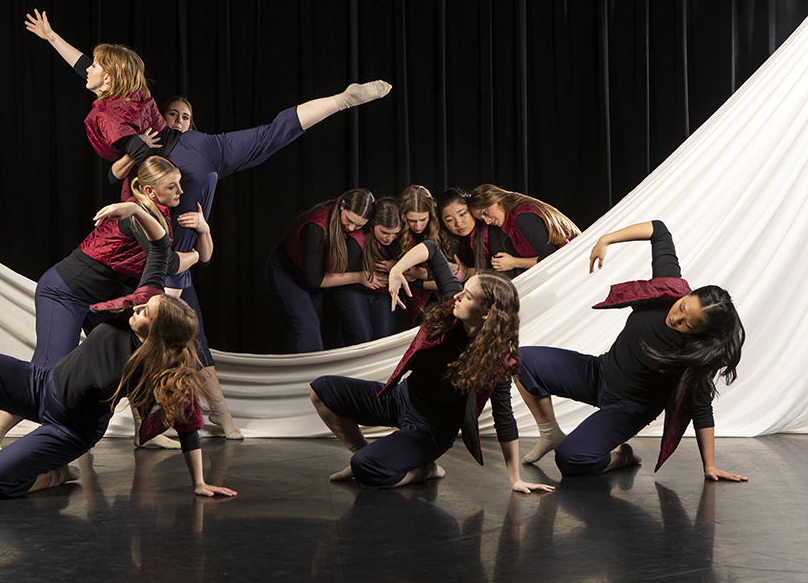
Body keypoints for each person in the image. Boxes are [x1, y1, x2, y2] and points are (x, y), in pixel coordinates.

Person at [26, 8, 392, 436]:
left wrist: (122, 166)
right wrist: (52, 38)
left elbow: (130, 148)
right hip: (185, 180)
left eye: (98, 67)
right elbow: (91, 72)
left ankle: (164, 417)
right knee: (268, 136)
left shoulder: (113, 114)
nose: (91, 69)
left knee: (157, 326)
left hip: (165, 200)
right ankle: (169, 417)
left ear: (110, 76)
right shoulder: (136, 93)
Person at [0, 202, 237, 499]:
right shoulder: (140, 303)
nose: (140, 304)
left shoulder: (158, 367)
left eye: (147, 312)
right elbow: (159, 248)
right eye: (146, 303)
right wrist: (135, 211)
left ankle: (56, 474)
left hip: (71, 429)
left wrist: (199, 482)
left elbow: (189, 424)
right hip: (41, 386)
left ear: (157, 334)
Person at [0, 156, 208, 452]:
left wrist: (203, 232)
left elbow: (174, 257)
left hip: (99, 299)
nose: (181, 191)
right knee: (48, 370)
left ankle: (142, 431)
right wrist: (195, 256)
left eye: (179, 183)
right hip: (63, 293)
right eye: (172, 186)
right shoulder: (137, 215)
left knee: (134, 353)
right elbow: (167, 263)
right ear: (151, 191)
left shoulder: (158, 213)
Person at [308, 238, 554, 493]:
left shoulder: (496, 360)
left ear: (486, 313)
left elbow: (504, 419)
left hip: (430, 430)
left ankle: (424, 469)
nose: (458, 295)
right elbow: (432, 250)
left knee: (366, 469)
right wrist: (396, 270)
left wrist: (515, 479)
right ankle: (364, 451)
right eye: (462, 289)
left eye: (468, 295)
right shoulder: (453, 307)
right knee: (322, 390)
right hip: (400, 398)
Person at [515, 220, 747, 481]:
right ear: (686, 294)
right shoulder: (668, 288)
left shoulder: (697, 355)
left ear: (700, 333)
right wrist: (606, 238)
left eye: (688, 324)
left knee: (571, 459)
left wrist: (710, 466)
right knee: (519, 360)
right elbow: (659, 230)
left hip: (629, 407)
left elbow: (701, 408)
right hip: (599, 373)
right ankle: (550, 433)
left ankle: (620, 457)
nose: (676, 318)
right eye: (682, 306)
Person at [266, 189, 380, 353]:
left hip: (315, 274)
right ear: (342, 205)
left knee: (328, 328)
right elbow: (314, 280)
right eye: (349, 220)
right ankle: (310, 377)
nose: (351, 227)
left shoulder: (355, 225)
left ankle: (329, 376)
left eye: (359, 225)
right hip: (286, 269)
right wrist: (359, 276)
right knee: (308, 327)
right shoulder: (315, 228)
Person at [466, 184, 580, 278]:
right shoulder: (511, 221)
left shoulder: (523, 217)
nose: (487, 221)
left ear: (495, 199)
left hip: (574, 268)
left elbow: (551, 259)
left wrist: (513, 262)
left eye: (485, 213)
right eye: (482, 219)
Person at [333, 197, 403, 345]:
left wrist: (397, 266)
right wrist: (363, 277)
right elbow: (340, 275)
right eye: (385, 232)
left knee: (385, 339)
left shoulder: (399, 240)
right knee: (362, 336)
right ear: (373, 224)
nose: (390, 238)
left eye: (395, 233)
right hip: (352, 289)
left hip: (381, 292)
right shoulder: (355, 240)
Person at [396, 184, 447, 323]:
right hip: (411, 297)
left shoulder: (442, 227)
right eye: (412, 220)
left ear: (431, 213)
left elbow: (447, 274)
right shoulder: (396, 232)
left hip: (442, 294)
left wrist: (413, 272)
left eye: (423, 219)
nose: (417, 226)